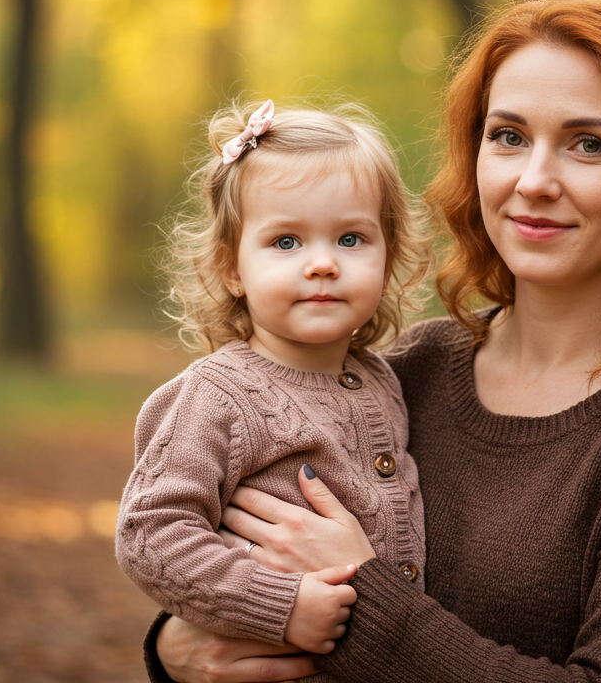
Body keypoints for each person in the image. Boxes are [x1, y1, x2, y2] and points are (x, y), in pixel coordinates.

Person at [145, 0, 601, 683]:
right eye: (509, 136)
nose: (535, 180)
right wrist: (176, 651)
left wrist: (362, 600)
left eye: (589, 145)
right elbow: (222, 550)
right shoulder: (401, 373)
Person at [115, 100, 431, 676]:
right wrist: (277, 607)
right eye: (286, 242)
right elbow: (150, 533)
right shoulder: (216, 396)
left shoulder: (384, 379)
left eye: (352, 239)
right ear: (232, 267)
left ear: (388, 256)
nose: (322, 264)